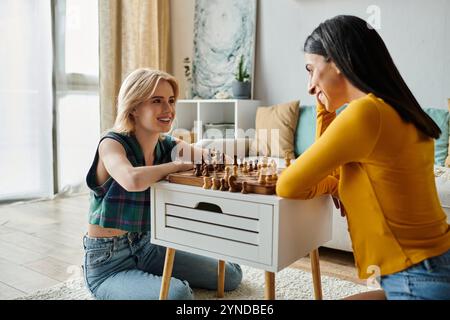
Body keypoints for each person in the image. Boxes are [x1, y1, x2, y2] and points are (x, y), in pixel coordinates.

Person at [276, 15, 450, 300]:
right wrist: (334, 182)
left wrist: (333, 184)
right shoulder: (396, 109)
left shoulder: (364, 114)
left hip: (417, 280)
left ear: (338, 62)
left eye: (311, 70)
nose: (309, 86)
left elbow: (289, 185)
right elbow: (329, 167)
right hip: (431, 269)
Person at [83, 68, 242, 300]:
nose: (168, 110)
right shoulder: (111, 143)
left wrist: (219, 159)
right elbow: (132, 179)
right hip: (108, 262)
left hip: (149, 247)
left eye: (171, 100)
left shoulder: (166, 145)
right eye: (157, 101)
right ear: (134, 107)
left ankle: (144, 280)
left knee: (230, 276)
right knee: (179, 294)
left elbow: (218, 159)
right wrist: (177, 166)